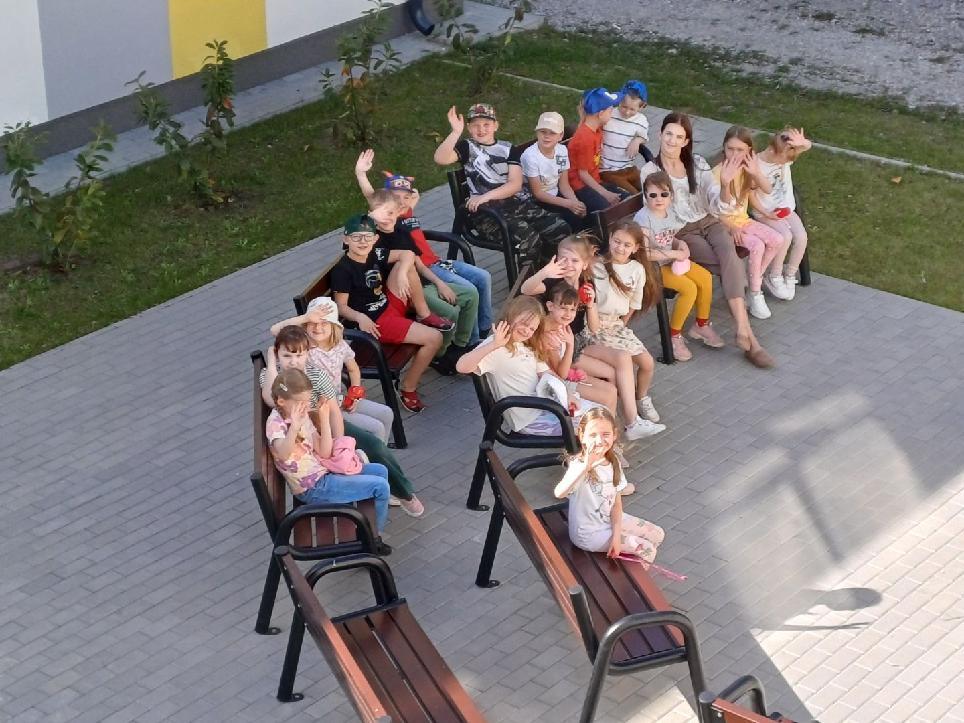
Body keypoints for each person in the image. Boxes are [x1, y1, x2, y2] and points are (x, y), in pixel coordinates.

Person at [640, 112, 774, 368]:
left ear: (686, 141)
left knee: (730, 258)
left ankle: (743, 332)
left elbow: (718, 203)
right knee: (730, 265)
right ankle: (750, 339)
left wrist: (724, 185)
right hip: (683, 232)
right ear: (660, 134)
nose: (672, 140)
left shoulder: (697, 163)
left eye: (679, 136)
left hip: (711, 222)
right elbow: (655, 210)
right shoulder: (650, 170)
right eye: (668, 134)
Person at [261, 325, 425, 517]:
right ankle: (377, 483)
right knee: (373, 445)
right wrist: (271, 363)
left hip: (323, 425)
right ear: (277, 354)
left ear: (308, 353)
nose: (293, 361)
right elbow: (270, 399)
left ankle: (403, 493)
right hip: (306, 438)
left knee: (375, 445)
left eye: (299, 355)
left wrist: (339, 446)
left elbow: (334, 412)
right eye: (286, 356)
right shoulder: (272, 377)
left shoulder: (316, 375)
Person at [521, 234, 665, 439]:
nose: (568, 265)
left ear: (585, 264)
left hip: (581, 339)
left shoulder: (586, 282)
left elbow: (594, 328)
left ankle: (630, 422)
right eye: (563, 259)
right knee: (612, 375)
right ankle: (623, 423)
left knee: (623, 357)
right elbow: (526, 289)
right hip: (560, 347)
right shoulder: (553, 282)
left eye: (574, 260)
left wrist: (590, 305)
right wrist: (545, 271)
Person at [355, 150, 493, 353]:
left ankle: (480, 333)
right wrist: (361, 174)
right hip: (419, 275)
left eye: (406, 197)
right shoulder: (388, 218)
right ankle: (460, 346)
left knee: (482, 278)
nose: (402, 201)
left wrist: (410, 201)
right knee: (466, 293)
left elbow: (399, 204)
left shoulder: (404, 213)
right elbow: (374, 199)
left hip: (434, 265)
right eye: (396, 198)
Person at [266, 367, 393, 548]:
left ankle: (367, 532)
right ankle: (372, 541)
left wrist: (324, 419)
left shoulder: (302, 415)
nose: (306, 406)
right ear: (281, 400)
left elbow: (324, 452)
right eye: (301, 402)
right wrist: (294, 428)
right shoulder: (276, 424)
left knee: (380, 471)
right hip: (313, 488)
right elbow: (283, 453)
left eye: (307, 401)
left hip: (324, 474)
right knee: (380, 487)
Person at [330, 213, 442, 412]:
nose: (362, 242)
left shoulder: (375, 253)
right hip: (376, 322)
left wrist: (401, 274)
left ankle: (424, 314)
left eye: (367, 237)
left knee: (406, 267)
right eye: (356, 237)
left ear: (375, 238)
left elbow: (407, 254)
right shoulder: (343, 270)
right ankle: (408, 388)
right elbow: (341, 307)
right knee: (435, 338)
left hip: (388, 305)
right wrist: (360, 317)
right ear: (346, 240)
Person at [433, 103, 571, 264]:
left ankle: (552, 271)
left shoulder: (508, 149)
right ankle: (529, 278)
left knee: (560, 228)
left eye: (486, 124)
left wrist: (485, 196)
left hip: (516, 206)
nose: (481, 129)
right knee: (529, 238)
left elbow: (515, 184)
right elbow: (440, 159)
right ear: (469, 128)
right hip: (487, 214)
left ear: (496, 126)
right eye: (476, 125)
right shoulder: (467, 147)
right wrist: (455, 132)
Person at [456, 296, 600, 435]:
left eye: (532, 329)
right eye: (524, 324)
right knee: (595, 427)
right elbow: (461, 367)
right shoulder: (496, 346)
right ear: (511, 316)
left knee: (601, 414)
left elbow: (547, 373)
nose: (527, 331)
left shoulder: (525, 345)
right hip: (529, 419)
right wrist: (493, 345)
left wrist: (568, 394)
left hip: (546, 407)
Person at [270, 297, 396, 443]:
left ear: (333, 326)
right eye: (313, 323)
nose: (318, 328)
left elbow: (353, 369)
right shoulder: (304, 346)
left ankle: (381, 450)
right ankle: (374, 454)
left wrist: (355, 393)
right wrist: (306, 317)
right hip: (324, 408)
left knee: (387, 413)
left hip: (341, 398)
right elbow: (275, 331)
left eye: (324, 323)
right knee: (377, 428)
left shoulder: (339, 345)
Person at [554, 408, 665, 561]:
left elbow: (616, 505)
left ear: (614, 435)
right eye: (593, 435)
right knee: (646, 549)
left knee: (657, 534)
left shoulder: (613, 462)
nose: (599, 441)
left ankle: (630, 564)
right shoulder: (578, 465)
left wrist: (616, 536)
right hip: (589, 534)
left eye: (605, 434)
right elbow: (559, 493)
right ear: (582, 436)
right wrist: (585, 466)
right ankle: (632, 575)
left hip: (609, 521)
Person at [633, 171, 723, 361]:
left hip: (671, 261)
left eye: (664, 194)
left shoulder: (670, 212)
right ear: (645, 196)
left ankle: (701, 324)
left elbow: (669, 238)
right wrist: (675, 253)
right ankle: (673, 336)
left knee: (705, 278)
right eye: (653, 195)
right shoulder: (644, 219)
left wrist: (680, 244)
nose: (659, 199)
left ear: (671, 196)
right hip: (654, 268)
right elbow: (646, 253)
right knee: (689, 288)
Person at [712, 126, 785, 320]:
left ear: (749, 151)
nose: (735, 154)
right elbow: (714, 211)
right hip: (725, 226)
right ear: (724, 148)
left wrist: (755, 173)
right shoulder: (717, 173)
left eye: (740, 150)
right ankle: (755, 292)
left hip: (743, 221)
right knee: (757, 245)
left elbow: (767, 189)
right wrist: (732, 227)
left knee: (777, 239)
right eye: (730, 149)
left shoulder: (748, 169)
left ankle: (755, 279)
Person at [590, 222, 662, 408]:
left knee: (647, 363)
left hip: (616, 324)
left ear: (635, 248)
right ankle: (622, 406)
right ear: (610, 239)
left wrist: (622, 323)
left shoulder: (637, 269)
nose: (620, 248)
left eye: (627, 245)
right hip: (594, 323)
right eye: (617, 241)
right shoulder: (595, 265)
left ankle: (642, 398)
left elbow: (634, 303)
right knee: (622, 365)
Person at [752, 127, 813, 301]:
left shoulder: (785, 154)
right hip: (765, 213)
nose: (784, 164)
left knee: (801, 236)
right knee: (785, 236)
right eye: (782, 161)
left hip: (785, 209)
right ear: (772, 150)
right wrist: (766, 213)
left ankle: (790, 274)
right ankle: (774, 275)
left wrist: (802, 143)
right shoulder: (757, 165)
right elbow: (750, 196)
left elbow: (806, 147)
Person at [540, 283, 618, 413]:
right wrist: (570, 345)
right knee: (607, 397)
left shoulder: (560, 323)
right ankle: (604, 423)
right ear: (550, 306)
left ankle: (608, 424)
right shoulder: (547, 334)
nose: (568, 314)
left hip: (565, 375)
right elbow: (561, 374)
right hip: (555, 383)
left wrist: (575, 372)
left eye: (572, 310)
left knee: (612, 390)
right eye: (563, 308)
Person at [520, 111, 588, 231]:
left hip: (555, 193)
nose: (547, 136)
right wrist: (568, 204)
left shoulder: (561, 151)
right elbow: (538, 193)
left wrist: (575, 203)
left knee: (583, 214)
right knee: (570, 222)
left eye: (552, 133)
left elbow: (564, 184)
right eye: (543, 132)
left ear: (561, 136)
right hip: (536, 201)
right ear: (537, 132)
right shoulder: (530, 157)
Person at [568, 88, 631, 214]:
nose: (612, 114)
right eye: (610, 110)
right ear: (601, 114)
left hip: (595, 181)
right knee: (610, 209)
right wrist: (605, 193)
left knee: (627, 198)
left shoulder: (596, 129)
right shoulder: (585, 138)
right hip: (581, 187)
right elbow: (583, 174)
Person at [600, 80, 652, 193]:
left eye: (632, 109)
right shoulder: (609, 115)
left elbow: (644, 137)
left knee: (650, 188)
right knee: (634, 195)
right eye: (624, 107)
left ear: (642, 106)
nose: (627, 112)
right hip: (608, 170)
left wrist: (637, 141)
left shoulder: (641, 121)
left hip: (628, 167)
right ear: (619, 100)